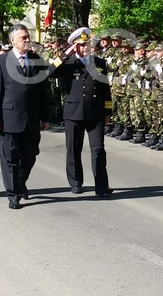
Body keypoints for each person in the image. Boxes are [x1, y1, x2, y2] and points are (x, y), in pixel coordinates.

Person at [0, 24, 50, 209]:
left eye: (27, 37)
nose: (27, 40)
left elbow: (42, 91)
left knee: (30, 155)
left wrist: (45, 116)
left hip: (31, 118)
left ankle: (20, 181)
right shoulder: (1, 61)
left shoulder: (35, 59)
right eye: (23, 37)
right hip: (9, 117)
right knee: (10, 158)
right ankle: (13, 194)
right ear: (12, 40)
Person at [49, 27, 114, 196]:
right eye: (82, 44)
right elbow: (51, 71)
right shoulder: (68, 63)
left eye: (88, 44)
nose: (86, 47)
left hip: (95, 112)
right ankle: (76, 182)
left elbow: (106, 88)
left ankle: (101, 185)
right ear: (76, 46)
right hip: (74, 112)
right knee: (73, 149)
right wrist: (65, 53)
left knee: (98, 149)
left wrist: (108, 112)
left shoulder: (99, 63)